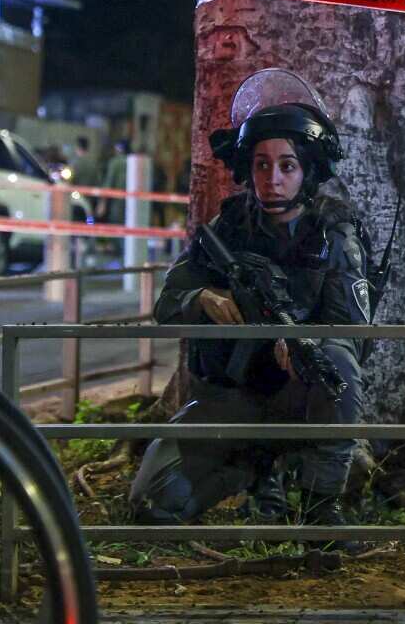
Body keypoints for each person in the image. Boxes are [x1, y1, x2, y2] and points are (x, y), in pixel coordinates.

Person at [129, 69, 370, 548]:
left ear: (307, 171)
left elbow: (353, 333)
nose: (273, 179)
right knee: (153, 504)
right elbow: (168, 301)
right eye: (261, 165)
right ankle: (257, 473)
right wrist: (201, 298)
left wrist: (306, 341)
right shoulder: (228, 229)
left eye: (286, 165)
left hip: (300, 400)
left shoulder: (333, 236)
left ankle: (321, 512)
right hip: (231, 402)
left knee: (337, 364)